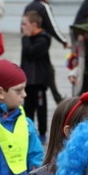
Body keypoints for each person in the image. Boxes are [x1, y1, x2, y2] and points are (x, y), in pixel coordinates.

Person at [24, 0, 69, 104]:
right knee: (48, 70)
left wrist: (26, 39)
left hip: (28, 44)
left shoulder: (28, 6)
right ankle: (57, 99)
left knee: (32, 70)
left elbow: (23, 26)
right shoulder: (44, 6)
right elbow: (52, 26)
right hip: (41, 44)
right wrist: (63, 40)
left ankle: (29, 99)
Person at [21, 10, 52, 143]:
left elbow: (30, 52)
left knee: (41, 109)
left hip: (39, 81)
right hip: (28, 81)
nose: (23, 27)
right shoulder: (28, 38)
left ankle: (42, 132)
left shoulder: (43, 39)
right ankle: (28, 130)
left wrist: (26, 38)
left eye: (25, 24)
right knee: (27, 108)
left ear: (34, 25)